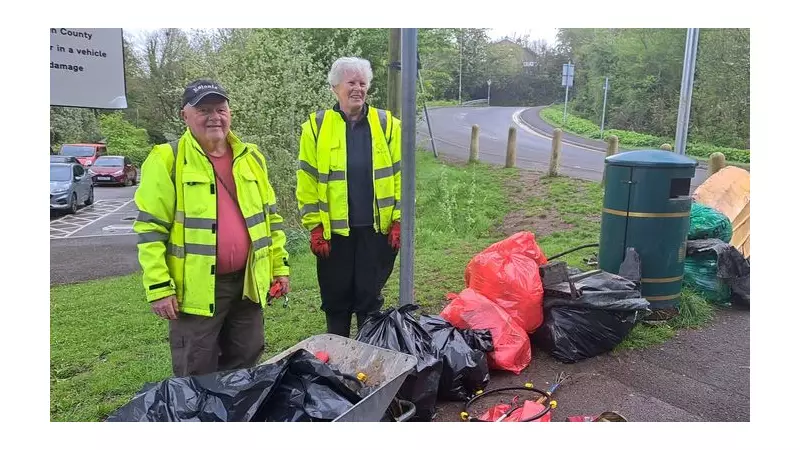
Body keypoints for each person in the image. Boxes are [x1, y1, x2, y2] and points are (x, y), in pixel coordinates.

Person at [134, 79, 291, 377]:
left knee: (246, 361)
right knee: (196, 371)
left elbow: (271, 219)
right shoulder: (167, 159)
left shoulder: (251, 157)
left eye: (220, 109)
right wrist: (158, 287)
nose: (214, 117)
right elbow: (150, 230)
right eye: (204, 110)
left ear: (230, 112)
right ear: (185, 115)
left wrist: (279, 268)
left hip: (248, 283)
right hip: (196, 291)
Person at [296, 56, 402, 338]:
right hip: (334, 234)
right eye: (351, 82)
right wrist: (314, 226)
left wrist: (399, 219)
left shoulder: (387, 124)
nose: (358, 88)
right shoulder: (316, 126)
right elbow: (306, 179)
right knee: (336, 300)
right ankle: (339, 351)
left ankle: (368, 352)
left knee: (369, 298)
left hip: (376, 230)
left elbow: (401, 175)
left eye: (362, 83)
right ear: (335, 88)